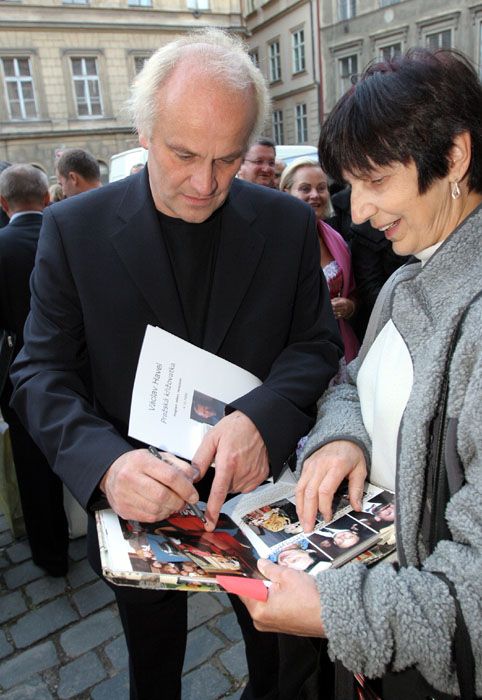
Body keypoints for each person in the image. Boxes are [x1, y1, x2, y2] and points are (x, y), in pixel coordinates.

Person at [10, 28, 342, 700]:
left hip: (257, 498)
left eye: (226, 160)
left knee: (278, 668)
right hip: (140, 499)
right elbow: (39, 372)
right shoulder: (74, 230)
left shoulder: (282, 222)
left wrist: (263, 419)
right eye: (183, 154)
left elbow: (315, 345)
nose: (203, 183)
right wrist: (106, 464)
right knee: (153, 669)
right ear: (144, 129)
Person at [242, 47, 482, 699]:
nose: (358, 212)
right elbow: (351, 382)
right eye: (351, 185)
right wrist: (345, 436)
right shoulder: (407, 284)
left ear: (455, 157)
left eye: (375, 180)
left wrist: (330, 612)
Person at [0, 164, 70, 576]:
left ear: (3, 205)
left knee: (31, 466)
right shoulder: (66, 233)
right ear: (46, 198)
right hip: (73, 366)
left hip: (18, 373)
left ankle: (50, 553)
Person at [280, 158, 359, 365]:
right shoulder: (275, 241)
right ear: (286, 192)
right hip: (295, 352)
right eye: (305, 189)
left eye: (321, 188)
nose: (315, 195)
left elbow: (352, 292)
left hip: (339, 348)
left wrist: (349, 306)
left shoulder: (335, 238)